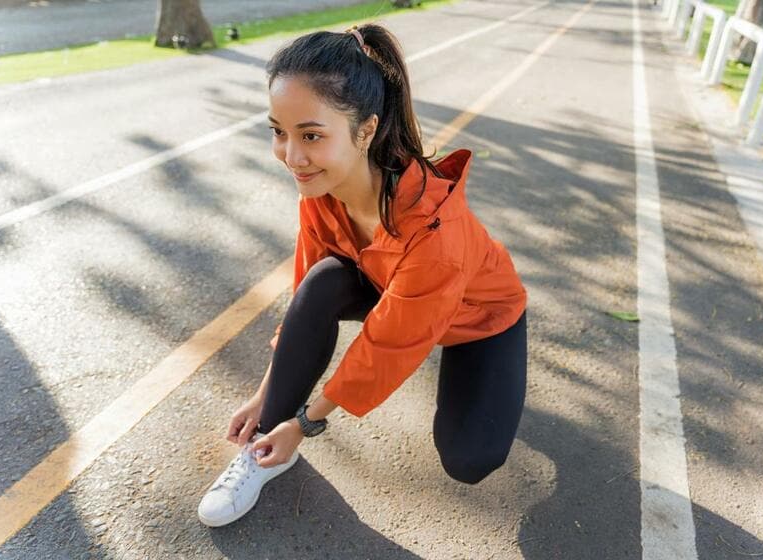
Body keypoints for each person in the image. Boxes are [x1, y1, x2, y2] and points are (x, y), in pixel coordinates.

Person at [197, 23, 528, 528]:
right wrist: (268, 398)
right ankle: (265, 450)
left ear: (366, 130)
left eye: (310, 135)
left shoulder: (433, 231)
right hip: (388, 285)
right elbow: (306, 295)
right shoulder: (322, 188)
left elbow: (388, 347)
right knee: (324, 280)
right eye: (279, 132)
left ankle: (286, 434)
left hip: (480, 317)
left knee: (470, 460)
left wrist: (305, 424)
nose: (291, 155)